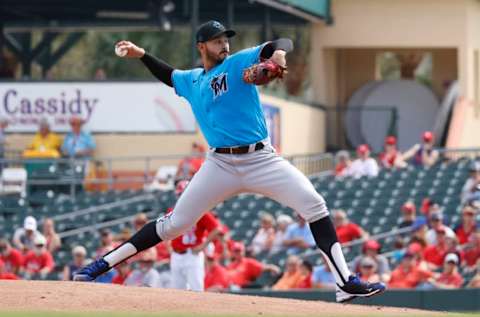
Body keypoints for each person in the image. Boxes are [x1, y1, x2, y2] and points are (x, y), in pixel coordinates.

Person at [74, 20, 385, 302]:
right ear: (201, 46)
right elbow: (169, 76)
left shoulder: (237, 62)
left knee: (315, 205)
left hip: (262, 159)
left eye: (225, 39)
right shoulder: (192, 81)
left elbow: (280, 45)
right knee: (175, 224)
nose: (224, 44)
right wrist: (142, 54)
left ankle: (344, 284)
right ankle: (99, 267)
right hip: (219, 164)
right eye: (216, 40)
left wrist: (276, 59)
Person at [169, 180, 222, 291]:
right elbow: (167, 229)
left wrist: (203, 245)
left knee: (197, 290)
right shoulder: (173, 210)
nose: (182, 197)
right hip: (176, 254)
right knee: (176, 292)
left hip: (192, 255)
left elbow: (217, 228)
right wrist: (168, 246)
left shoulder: (200, 210)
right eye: (180, 194)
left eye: (184, 194)